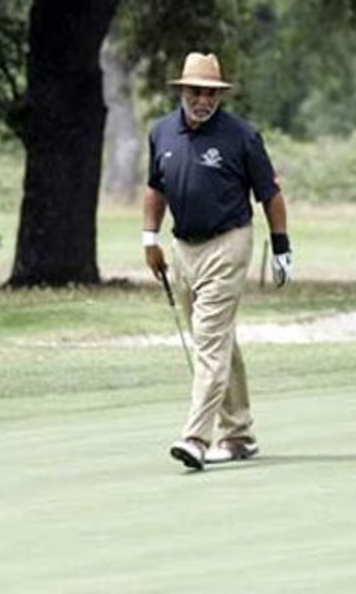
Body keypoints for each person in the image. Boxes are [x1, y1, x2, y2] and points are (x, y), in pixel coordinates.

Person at [142, 52, 292, 471]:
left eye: (211, 93)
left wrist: (281, 246)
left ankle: (195, 437)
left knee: (208, 338)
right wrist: (148, 238)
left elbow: (270, 194)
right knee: (217, 336)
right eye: (196, 92)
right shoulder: (161, 133)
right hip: (182, 247)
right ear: (182, 92)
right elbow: (155, 189)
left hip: (229, 241)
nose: (203, 100)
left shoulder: (241, 136)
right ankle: (240, 433)